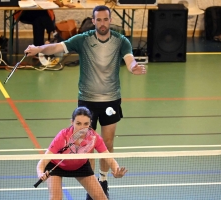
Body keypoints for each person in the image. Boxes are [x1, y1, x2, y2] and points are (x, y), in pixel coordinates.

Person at [25, 5, 147, 199]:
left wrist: (133, 68)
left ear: (110, 20)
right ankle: (90, 181)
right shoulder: (83, 40)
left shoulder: (120, 41)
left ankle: (103, 179)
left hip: (111, 99)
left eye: (105, 19)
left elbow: (129, 59)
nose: (102, 23)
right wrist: (38, 48)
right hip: (87, 100)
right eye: (98, 20)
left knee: (107, 142)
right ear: (93, 21)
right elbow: (58, 47)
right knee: (86, 144)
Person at [36, 106, 127, 200]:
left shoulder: (94, 138)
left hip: (80, 166)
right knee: (56, 198)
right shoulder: (63, 136)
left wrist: (116, 170)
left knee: (101, 198)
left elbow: (109, 158)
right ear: (72, 122)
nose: (82, 128)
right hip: (56, 166)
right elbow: (42, 163)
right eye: (78, 123)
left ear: (90, 123)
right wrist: (40, 174)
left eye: (86, 124)